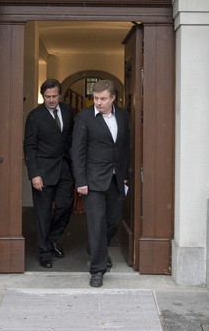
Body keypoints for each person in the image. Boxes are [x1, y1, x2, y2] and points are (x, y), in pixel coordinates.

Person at [71, 79, 130, 287]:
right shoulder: (84, 117)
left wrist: (125, 174)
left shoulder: (122, 115)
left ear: (113, 98)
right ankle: (97, 270)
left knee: (113, 221)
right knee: (96, 225)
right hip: (93, 180)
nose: (99, 102)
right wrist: (81, 180)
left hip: (116, 179)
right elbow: (77, 152)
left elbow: (124, 147)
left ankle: (98, 248)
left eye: (103, 99)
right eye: (96, 98)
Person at [24, 79, 74, 268]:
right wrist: (34, 174)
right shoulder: (35, 116)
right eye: (47, 97)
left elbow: (70, 139)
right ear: (42, 96)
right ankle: (44, 252)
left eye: (54, 96)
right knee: (43, 214)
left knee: (65, 206)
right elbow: (29, 147)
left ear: (59, 95)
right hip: (42, 173)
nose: (51, 100)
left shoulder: (68, 111)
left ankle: (52, 239)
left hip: (64, 169)